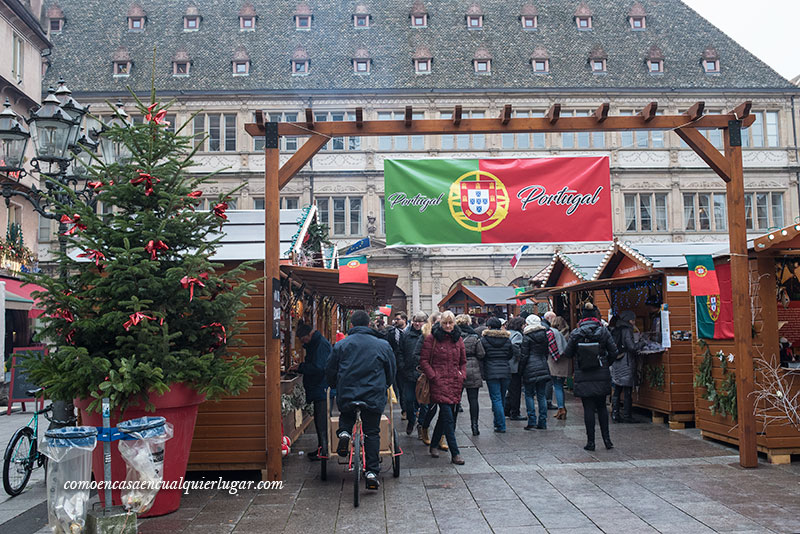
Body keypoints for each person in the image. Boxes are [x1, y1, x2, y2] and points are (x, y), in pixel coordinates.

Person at [326, 310, 396, 490]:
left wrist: (336, 385)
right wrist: (384, 385)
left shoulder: (341, 345)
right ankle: (372, 472)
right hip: (373, 395)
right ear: (369, 325)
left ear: (351, 326)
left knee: (347, 415)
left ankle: (344, 433)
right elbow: (391, 372)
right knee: (372, 432)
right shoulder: (382, 345)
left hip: (348, 394)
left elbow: (331, 371)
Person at [563, 303, 618, 451]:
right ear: (596, 315)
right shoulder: (604, 331)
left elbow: (567, 353)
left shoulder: (576, 333)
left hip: (584, 374)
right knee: (601, 407)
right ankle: (607, 440)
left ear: (582, 316)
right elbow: (614, 351)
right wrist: (606, 363)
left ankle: (591, 442)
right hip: (601, 372)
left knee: (588, 408)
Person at [419, 311, 467, 465]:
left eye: (450, 323)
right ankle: (455, 452)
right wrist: (433, 376)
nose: (447, 326)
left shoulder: (458, 339)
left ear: (454, 323)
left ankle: (433, 445)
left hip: (454, 382)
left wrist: (461, 374)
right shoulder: (432, 339)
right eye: (445, 323)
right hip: (438, 383)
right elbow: (424, 361)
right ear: (440, 324)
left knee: (445, 417)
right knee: (448, 417)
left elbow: (463, 361)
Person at [296, 323, 332, 460]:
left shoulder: (320, 345)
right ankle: (321, 447)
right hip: (320, 387)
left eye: (303, 339)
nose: (302, 342)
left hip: (322, 387)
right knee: (319, 419)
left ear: (309, 335)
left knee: (322, 420)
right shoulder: (316, 343)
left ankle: (324, 450)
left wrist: (301, 367)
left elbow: (319, 367)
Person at [520, 315, 555, 430]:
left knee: (529, 395)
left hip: (530, 368)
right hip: (542, 365)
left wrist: (521, 370)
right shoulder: (544, 335)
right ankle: (543, 421)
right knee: (541, 395)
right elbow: (546, 352)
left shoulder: (527, 336)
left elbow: (524, 355)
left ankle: (532, 421)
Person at [481, 317, 515, 433]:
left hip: (491, 370)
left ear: (489, 327)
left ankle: (501, 425)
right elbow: (510, 354)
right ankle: (498, 422)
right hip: (505, 370)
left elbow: (482, 355)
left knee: (496, 398)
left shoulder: (484, 340)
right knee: (501, 397)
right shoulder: (507, 339)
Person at [416, 311, 443, 446]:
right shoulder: (426, 336)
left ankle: (442, 437)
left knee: (446, 410)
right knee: (431, 408)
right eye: (438, 322)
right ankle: (425, 427)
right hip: (431, 377)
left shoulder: (451, 336)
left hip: (447, 377)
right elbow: (418, 355)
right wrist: (428, 371)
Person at [456, 313, 485, 436]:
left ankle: (452, 424)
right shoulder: (475, 337)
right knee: (473, 400)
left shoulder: (454, 337)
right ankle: (475, 426)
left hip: (457, 369)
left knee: (456, 399)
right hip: (472, 369)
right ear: (468, 323)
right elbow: (481, 353)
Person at [398, 311, 427, 435]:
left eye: (420, 321)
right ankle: (411, 419)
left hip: (424, 374)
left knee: (424, 403)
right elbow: (399, 351)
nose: (417, 324)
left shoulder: (428, 336)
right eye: (415, 321)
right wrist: (402, 366)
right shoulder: (406, 335)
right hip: (409, 373)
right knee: (408, 400)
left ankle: (421, 425)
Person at [610, 311, 637, 423]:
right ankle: (627, 414)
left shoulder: (615, 329)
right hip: (625, 362)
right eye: (633, 319)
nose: (634, 322)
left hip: (616, 362)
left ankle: (615, 413)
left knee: (617, 389)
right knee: (627, 390)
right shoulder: (627, 330)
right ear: (629, 320)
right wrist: (641, 344)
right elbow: (631, 347)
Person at [545, 313, 571, 420]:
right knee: (559, 385)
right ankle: (562, 408)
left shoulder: (552, 333)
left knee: (557, 386)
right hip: (565, 363)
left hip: (554, 362)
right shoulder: (567, 333)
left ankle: (561, 408)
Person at [504, 317, 526, 421]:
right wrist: (519, 357)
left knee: (511, 390)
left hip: (507, 365)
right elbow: (515, 347)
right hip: (514, 366)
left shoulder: (507, 333)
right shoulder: (517, 335)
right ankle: (515, 412)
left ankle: (507, 409)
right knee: (515, 390)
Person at [386, 312, 408, 417]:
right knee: (400, 387)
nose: (396, 321)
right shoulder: (392, 332)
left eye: (398, 319)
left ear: (404, 320)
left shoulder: (410, 331)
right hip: (397, 364)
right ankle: (404, 410)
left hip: (409, 364)